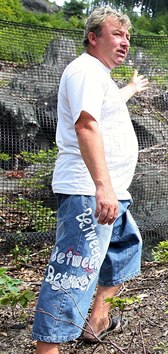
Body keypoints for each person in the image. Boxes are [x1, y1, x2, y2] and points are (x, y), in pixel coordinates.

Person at [32, 6, 148, 354]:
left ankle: (97, 320)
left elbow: (107, 107)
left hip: (111, 192)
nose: (124, 41)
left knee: (125, 250)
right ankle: (47, 349)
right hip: (88, 190)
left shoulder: (100, 77)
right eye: (117, 34)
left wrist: (130, 87)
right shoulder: (84, 71)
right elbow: (85, 124)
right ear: (93, 37)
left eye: (127, 36)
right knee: (71, 273)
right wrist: (103, 186)